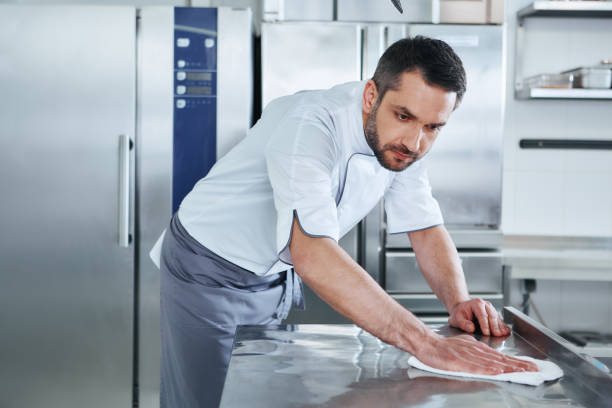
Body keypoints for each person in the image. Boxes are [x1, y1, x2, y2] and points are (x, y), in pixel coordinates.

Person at [152, 36, 537, 408]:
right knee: (207, 401)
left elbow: (425, 225)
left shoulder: (404, 142)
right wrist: (428, 344)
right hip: (209, 268)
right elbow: (313, 254)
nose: (415, 141)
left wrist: (458, 301)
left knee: (255, 393)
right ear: (372, 95)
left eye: (433, 127)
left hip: (273, 275)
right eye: (403, 116)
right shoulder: (311, 124)